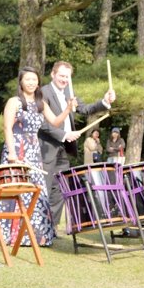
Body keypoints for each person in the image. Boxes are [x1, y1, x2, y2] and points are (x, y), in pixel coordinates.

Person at [0, 67, 74, 247]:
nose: (31, 83)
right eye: (27, 79)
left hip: (34, 152)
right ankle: (10, 236)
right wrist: (12, 153)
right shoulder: (14, 101)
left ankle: (35, 236)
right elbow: (7, 128)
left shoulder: (40, 102)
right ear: (21, 82)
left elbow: (56, 122)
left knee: (36, 192)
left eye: (34, 80)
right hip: (17, 150)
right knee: (15, 191)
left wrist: (67, 108)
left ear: (38, 83)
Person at [37, 61, 116, 228]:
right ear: (53, 74)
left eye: (67, 77)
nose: (64, 80)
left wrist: (105, 101)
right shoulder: (43, 92)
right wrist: (64, 134)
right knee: (44, 186)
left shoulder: (69, 92)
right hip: (46, 147)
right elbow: (42, 124)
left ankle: (52, 227)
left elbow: (86, 109)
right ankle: (37, 226)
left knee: (59, 187)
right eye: (61, 76)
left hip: (63, 148)